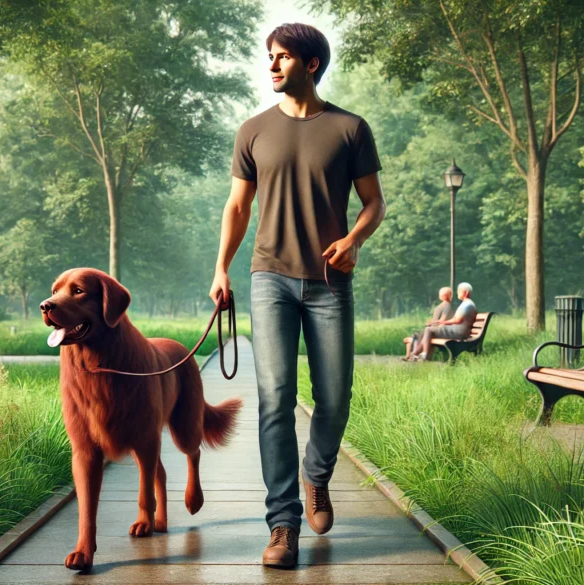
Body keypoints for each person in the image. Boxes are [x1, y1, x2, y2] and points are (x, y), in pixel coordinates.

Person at [209, 23, 386, 568]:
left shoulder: (350, 129)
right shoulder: (253, 131)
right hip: (270, 281)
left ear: (311, 64)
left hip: (331, 284)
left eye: (282, 57)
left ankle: (316, 475)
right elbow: (238, 207)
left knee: (334, 398)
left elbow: (374, 203)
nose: (271, 65)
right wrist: (221, 268)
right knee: (275, 398)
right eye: (269, 56)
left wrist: (354, 239)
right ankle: (282, 524)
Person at [405, 282, 477, 362]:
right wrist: (442, 322)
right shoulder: (466, 304)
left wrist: (443, 322)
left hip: (459, 331)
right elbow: (456, 319)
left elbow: (457, 320)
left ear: (466, 292)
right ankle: (415, 354)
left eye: (460, 291)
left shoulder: (467, 305)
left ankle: (424, 354)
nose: (458, 293)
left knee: (429, 330)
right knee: (429, 331)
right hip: (457, 329)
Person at [403, 287, 453, 355]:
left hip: (438, 330)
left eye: (441, 294)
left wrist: (432, 324)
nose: (439, 295)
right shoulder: (442, 306)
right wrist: (431, 323)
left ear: (445, 295)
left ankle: (414, 354)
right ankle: (412, 355)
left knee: (420, 335)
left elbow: (443, 321)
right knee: (417, 335)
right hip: (433, 328)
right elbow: (438, 320)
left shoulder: (448, 306)